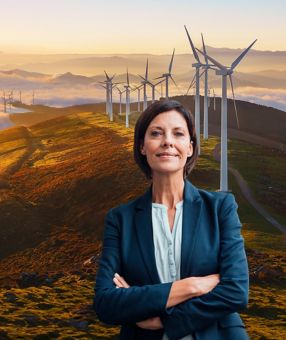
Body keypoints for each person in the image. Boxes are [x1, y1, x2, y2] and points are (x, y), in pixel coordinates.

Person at [93, 100, 249, 340]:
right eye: (156, 133)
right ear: (142, 146)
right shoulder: (120, 219)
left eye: (178, 133)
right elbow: (106, 302)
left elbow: (236, 291)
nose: (167, 141)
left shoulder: (220, 208)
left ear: (190, 147)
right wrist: (192, 286)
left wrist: (162, 318)